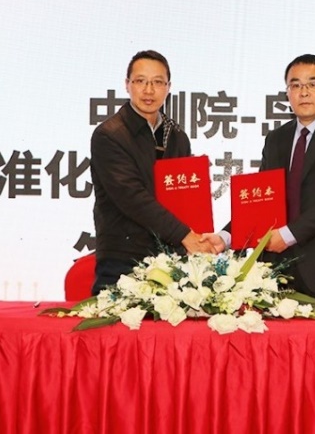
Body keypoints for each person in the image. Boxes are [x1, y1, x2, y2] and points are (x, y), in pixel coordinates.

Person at [205, 54, 315, 305]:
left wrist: (287, 234)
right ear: (288, 93)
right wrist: (225, 237)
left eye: (312, 84)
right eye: (295, 85)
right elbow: (260, 201)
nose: (304, 92)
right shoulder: (276, 139)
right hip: (277, 272)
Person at [90, 49, 219, 295]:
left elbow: (183, 198)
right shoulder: (109, 135)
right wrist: (185, 235)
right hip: (123, 259)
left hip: (170, 259)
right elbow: (132, 197)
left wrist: (196, 234)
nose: (149, 90)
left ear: (168, 87)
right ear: (127, 85)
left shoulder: (177, 136)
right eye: (140, 81)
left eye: (158, 82)